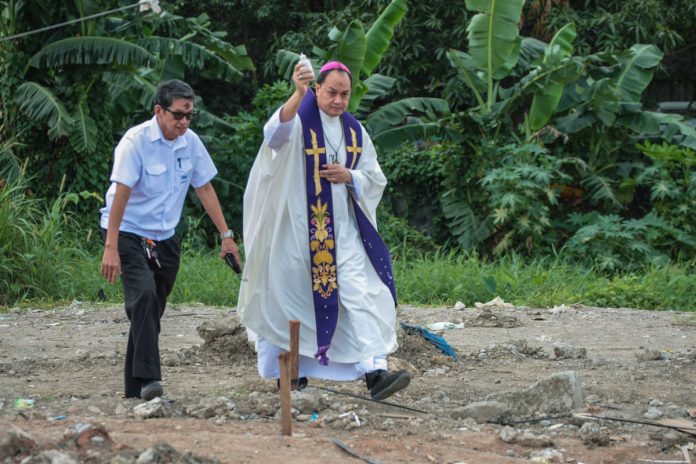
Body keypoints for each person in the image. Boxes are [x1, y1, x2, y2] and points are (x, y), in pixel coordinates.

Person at [237, 60, 410, 400]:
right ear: (317, 89)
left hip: (344, 234)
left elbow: (375, 178)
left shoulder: (355, 131)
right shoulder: (300, 120)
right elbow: (273, 137)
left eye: (344, 94)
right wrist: (296, 94)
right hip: (295, 233)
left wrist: (352, 177)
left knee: (365, 295)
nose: (338, 101)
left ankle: (376, 374)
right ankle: (291, 374)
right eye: (331, 92)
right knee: (291, 302)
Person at [99, 79, 242, 401]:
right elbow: (120, 195)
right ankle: (151, 380)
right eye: (178, 115)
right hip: (127, 231)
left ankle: (133, 387)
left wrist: (227, 237)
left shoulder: (189, 143)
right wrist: (110, 247)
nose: (184, 122)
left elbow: (204, 187)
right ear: (159, 111)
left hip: (164, 237)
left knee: (150, 310)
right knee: (145, 298)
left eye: (190, 116)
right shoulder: (135, 142)